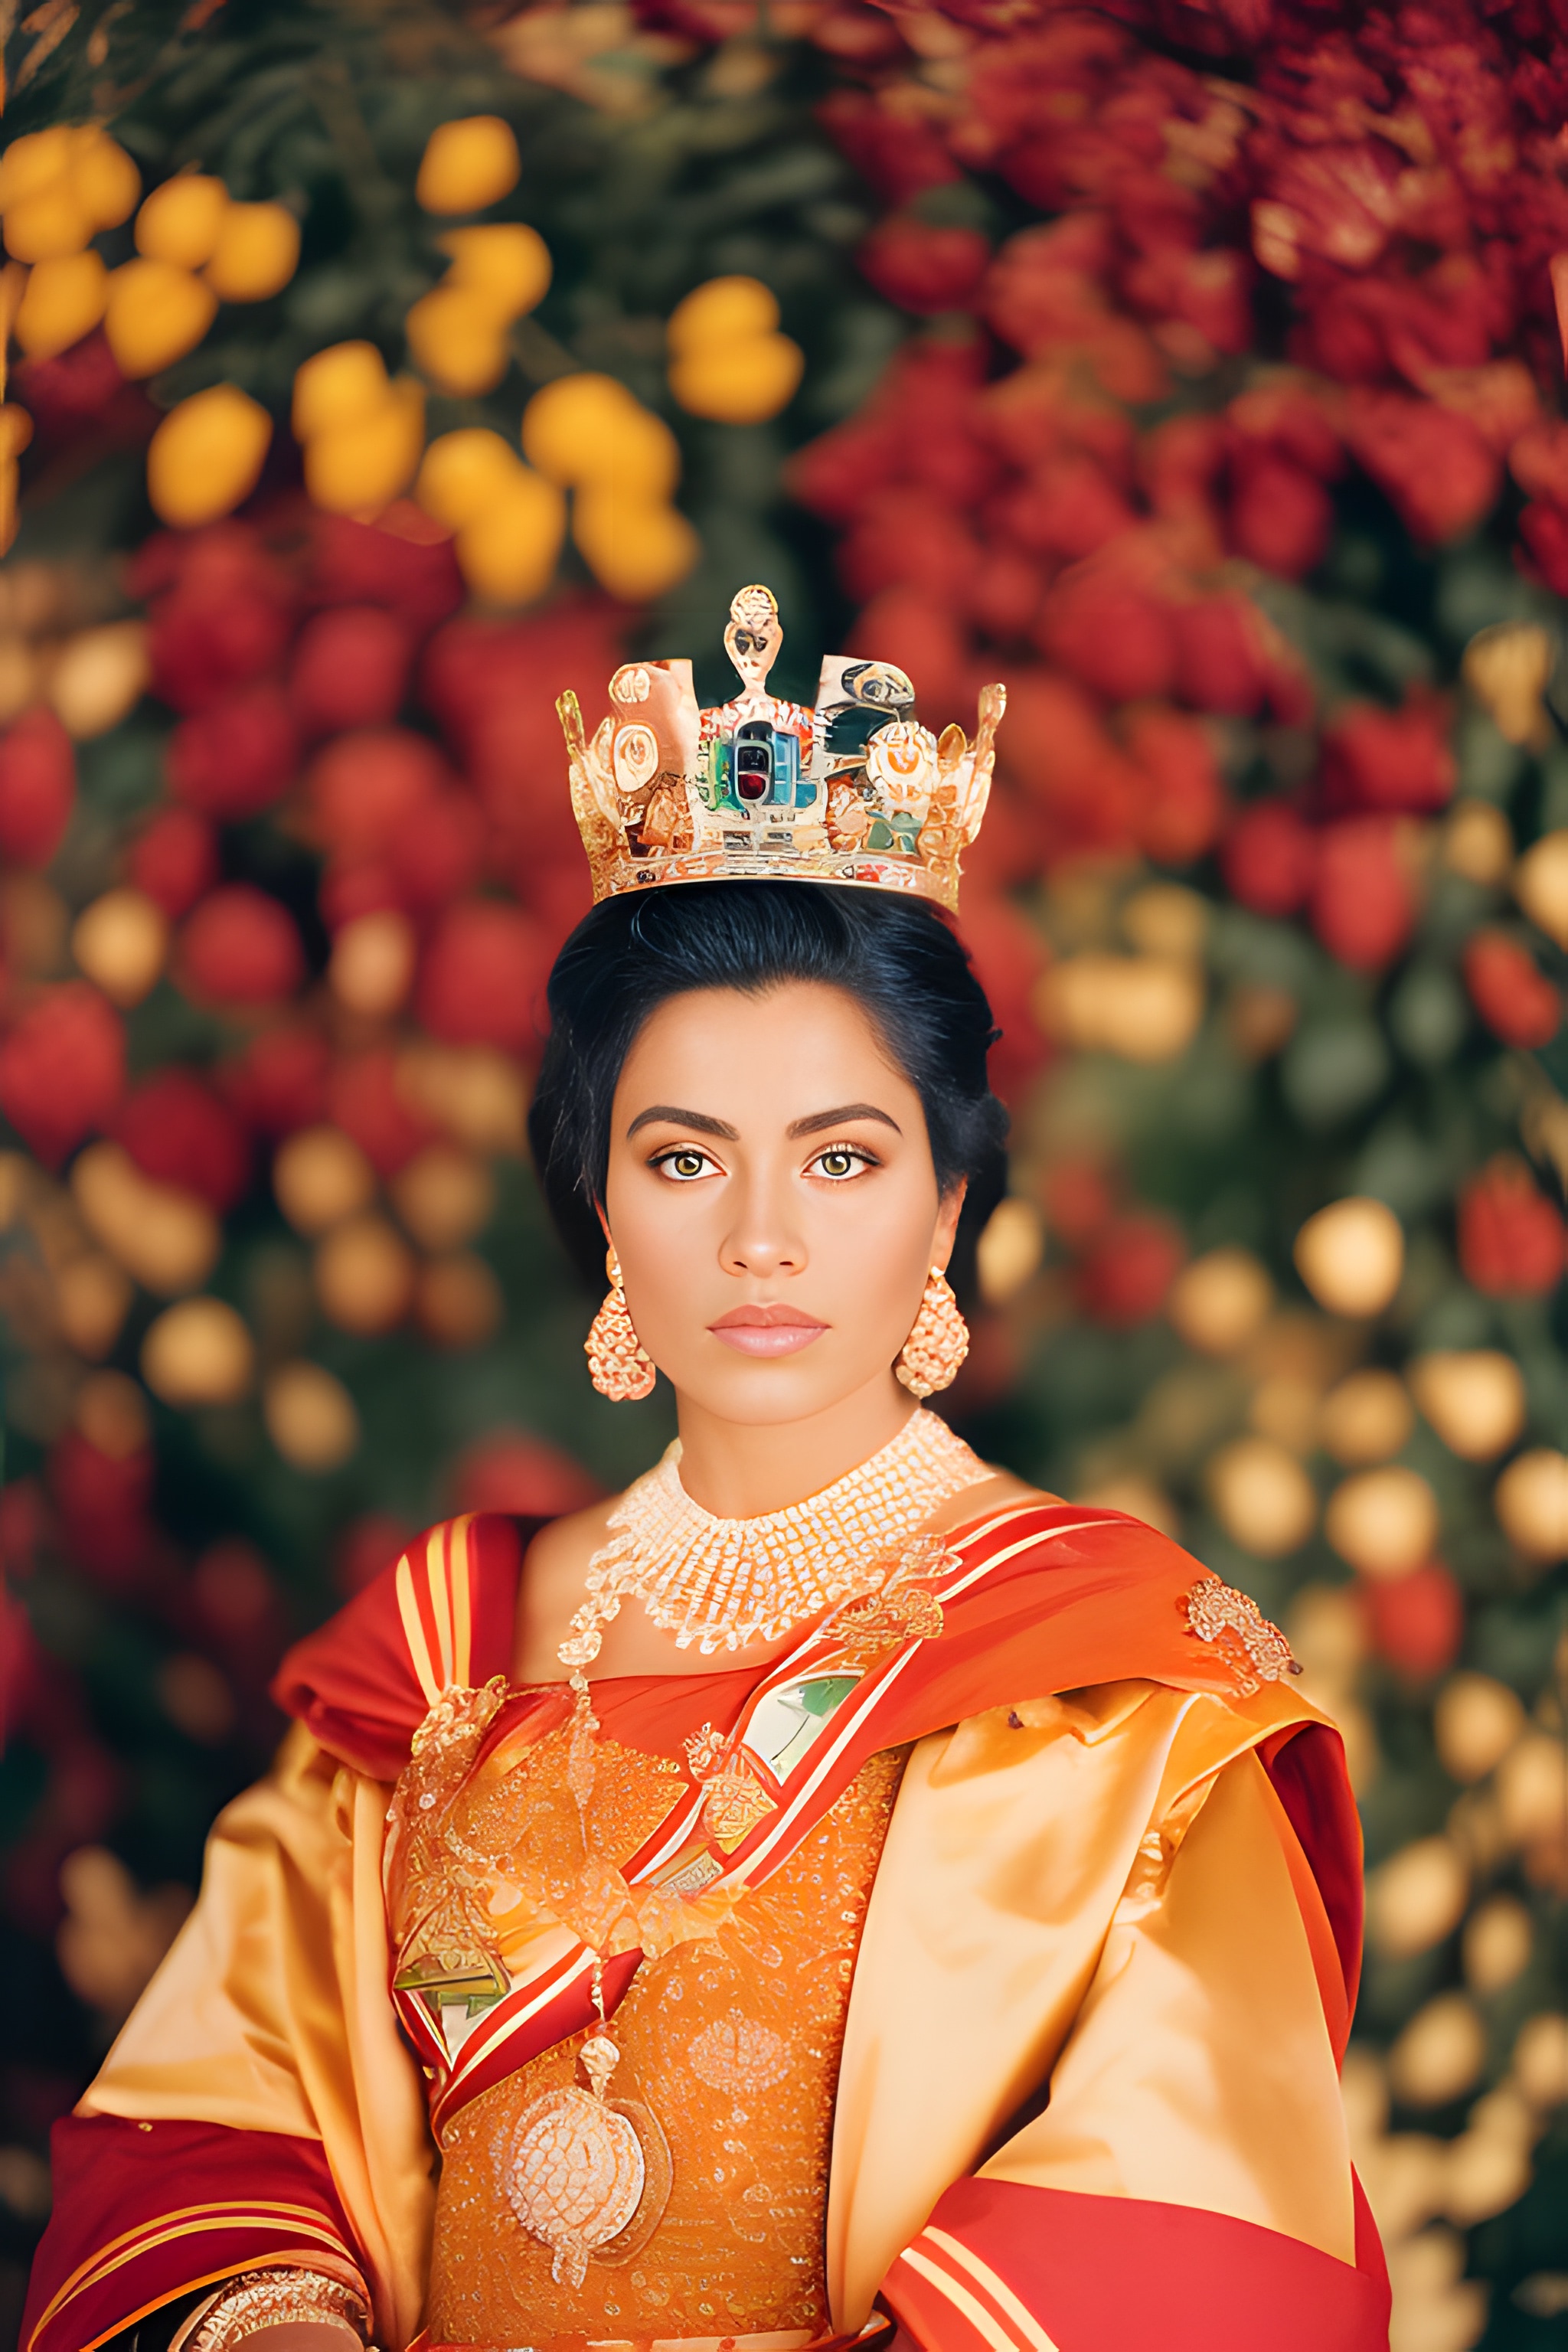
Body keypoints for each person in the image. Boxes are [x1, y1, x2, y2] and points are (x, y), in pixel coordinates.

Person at [24, 592, 1390, 2352]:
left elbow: (1202, 2214)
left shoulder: (1114, 1685)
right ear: (599, 1201)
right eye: (684, 1161)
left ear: (948, 1205)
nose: (761, 1242)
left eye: (841, 1160)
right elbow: (226, 2106)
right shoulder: (433, 1658)